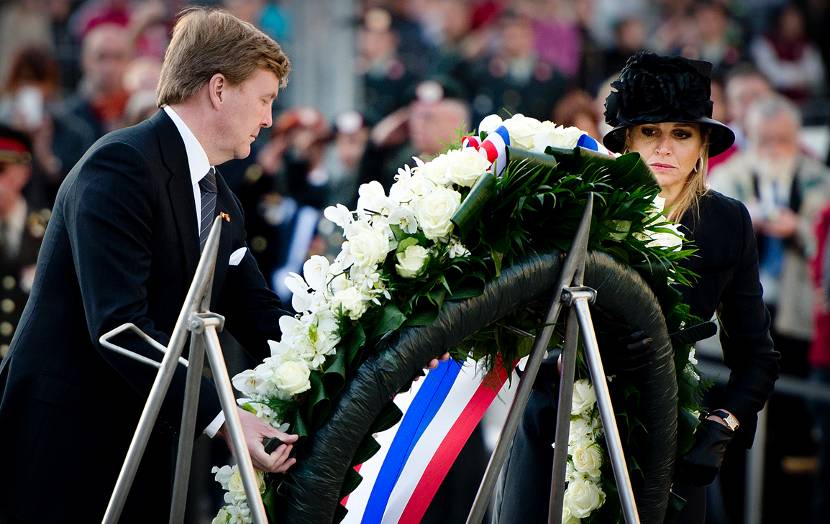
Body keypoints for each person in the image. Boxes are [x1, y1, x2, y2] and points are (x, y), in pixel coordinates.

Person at [0, 8, 298, 523]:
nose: (269, 119)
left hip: (139, 450)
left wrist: (365, 348)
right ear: (219, 89)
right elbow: (121, 326)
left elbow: (260, 313)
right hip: (65, 453)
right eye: (265, 98)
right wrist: (226, 419)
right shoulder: (120, 166)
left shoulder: (219, 195)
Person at [495, 51, 779, 523]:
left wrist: (722, 424)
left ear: (702, 145)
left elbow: (757, 356)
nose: (664, 149)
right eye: (650, 132)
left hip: (666, 430)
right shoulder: (580, 204)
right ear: (627, 140)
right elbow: (522, 316)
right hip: (560, 419)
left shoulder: (725, 222)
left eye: (681, 134)